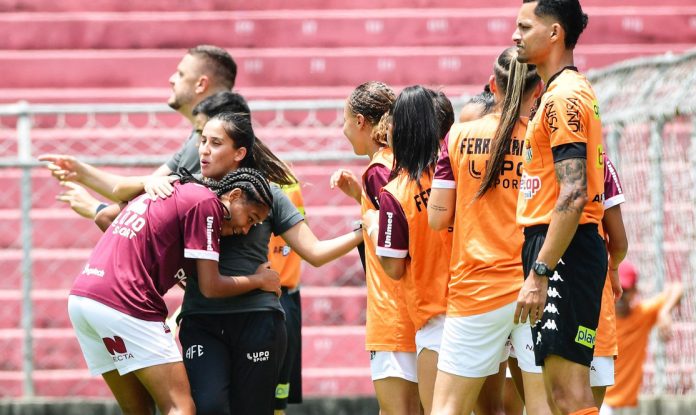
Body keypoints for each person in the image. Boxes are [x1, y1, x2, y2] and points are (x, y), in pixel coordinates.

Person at [169, 112, 363, 415]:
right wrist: (147, 184)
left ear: (239, 153)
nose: (204, 150)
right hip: (202, 319)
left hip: (258, 319)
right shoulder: (186, 192)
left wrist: (363, 231)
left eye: (215, 143)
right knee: (210, 407)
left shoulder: (267, 195)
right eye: (202, 141)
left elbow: (315, 252)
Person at [67, 167, 277, 415]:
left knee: (138, 409)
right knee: (180, 407)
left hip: (83, 298)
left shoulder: (175, 190)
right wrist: (259, 280)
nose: (246, 230)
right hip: (125, 302)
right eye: (250, 218)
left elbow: (104, 217)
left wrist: (159, 261)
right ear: (234, 195)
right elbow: (211, 287)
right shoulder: (207, 203)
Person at [427, 47, 550, 415]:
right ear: (537, 89)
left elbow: (437, 218)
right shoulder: (543, 139)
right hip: (534, 288)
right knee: (541, 408)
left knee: (447, 407)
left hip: (475, 289)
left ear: (492, 85)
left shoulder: (458, 136)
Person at [513, 1, 608, 414]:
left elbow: (572, 193)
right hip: (563, 248)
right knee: (560, 395)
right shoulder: (561, 91)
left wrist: (540, 271)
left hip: (563, 250)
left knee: (568, 395)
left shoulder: (564, 97)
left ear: (554, 33)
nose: (515, 36)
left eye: (524, 27)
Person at [39, 44, 237, 214]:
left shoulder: (211, 143)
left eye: (181, 74)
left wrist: (98, 210)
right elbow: (144, 188)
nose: (171, 79)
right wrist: (81, 173)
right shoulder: (202, 135)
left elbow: (159, 209)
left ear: (201, 84)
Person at [330, 81, 420, 415]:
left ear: (360, 121)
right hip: (416, 310)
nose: (343, 130)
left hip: (394, 314)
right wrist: (360, 197)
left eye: (344, 120)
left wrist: (368, 215)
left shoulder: (379, 170)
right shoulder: (402, 160)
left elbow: (397, 235)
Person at [362, 85, 449, 414]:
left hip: (431, 316)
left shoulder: (396, 191)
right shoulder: (451, 176)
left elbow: (394, 267)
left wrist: (372, 225)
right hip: (472, 307)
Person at [601, 261, 683, 414]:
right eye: (614, 288)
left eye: (624, 290)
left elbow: (677, 288)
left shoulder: (642, 315)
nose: (619, 295)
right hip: (600, 403)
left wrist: (665, 311)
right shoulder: (599, 318)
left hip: (624, 406)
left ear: (635, 291)